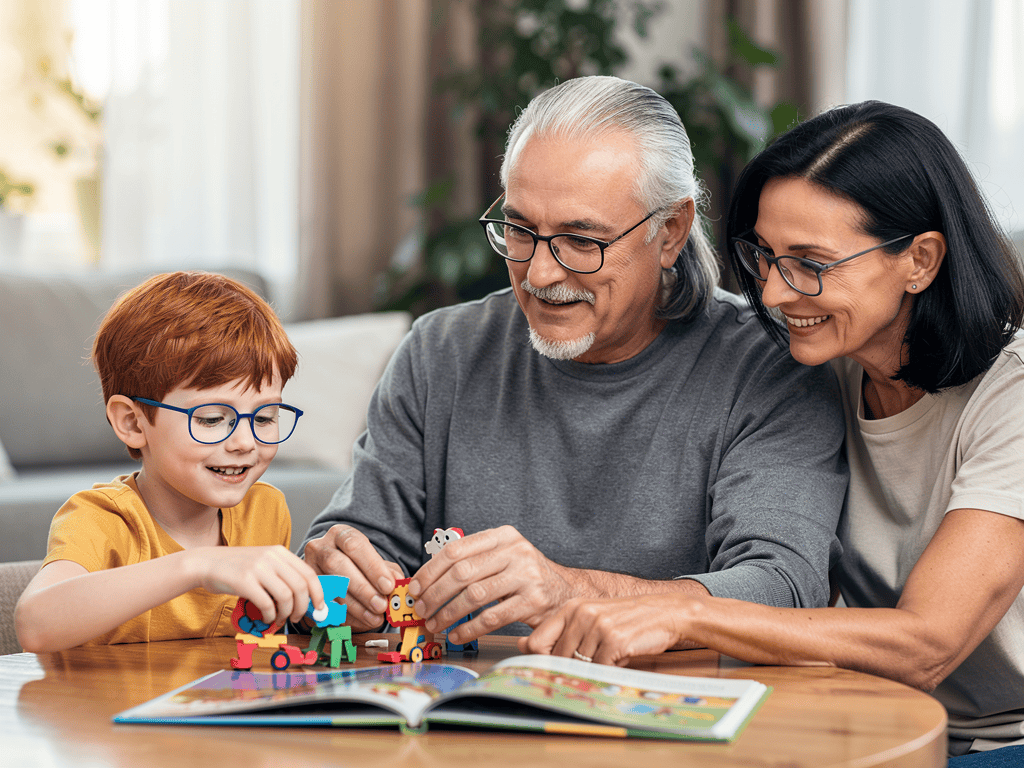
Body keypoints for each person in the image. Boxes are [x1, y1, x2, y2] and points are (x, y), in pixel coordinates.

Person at [520, 100, 1024, 763]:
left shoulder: (1010, 394)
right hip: (856, 716)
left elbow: (925, 645)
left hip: (993, 742)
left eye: (811, 263)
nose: (778, 295)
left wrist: (686, 611)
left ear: (921, 261)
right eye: (765, 255)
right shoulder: (819, 371)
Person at [302, 75, 848, 645]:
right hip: (457, 719)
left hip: (673, 720)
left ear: (671, 232)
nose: (539, 275)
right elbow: (352, 542)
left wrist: (569, 591)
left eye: (582, 241)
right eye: (519, 230)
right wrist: (336, 572)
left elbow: (783, 587)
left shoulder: (768, 368)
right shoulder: (440, 351)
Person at [15, 272, 327, 652]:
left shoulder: (264, 510)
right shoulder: (101, 520)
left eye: (264, 418)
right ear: (133, 423)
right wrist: (198, 566)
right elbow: (35, 624)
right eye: (212, 419)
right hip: (103, 710)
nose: (246, 442)